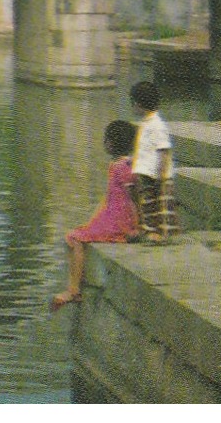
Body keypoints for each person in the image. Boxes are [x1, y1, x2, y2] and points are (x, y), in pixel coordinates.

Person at [51, 120, 139, 311]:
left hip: (118, 221)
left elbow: (132, 198)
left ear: (109, 143)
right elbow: (111, 198)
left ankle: (73, 289)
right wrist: (94, 220)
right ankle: (75, 283)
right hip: (113, 215)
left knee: (75, 239)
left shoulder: (122, 167)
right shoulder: (120, 165)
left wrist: (132, 227)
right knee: (73, 236)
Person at [129, 80, 179, 241]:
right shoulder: (146, 123)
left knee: (162, 204)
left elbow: (163, 150)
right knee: (147, 203)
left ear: (138, 104)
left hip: (157, 173)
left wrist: (162, 173)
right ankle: (149, 230)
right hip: (145, 171)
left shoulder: (157, 125)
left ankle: (163, 233)